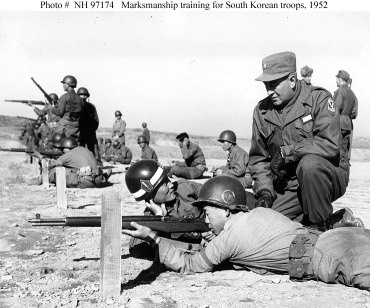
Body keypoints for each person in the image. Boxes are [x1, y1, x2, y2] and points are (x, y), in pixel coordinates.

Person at [123, 176, 370, 292]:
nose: (205, 218)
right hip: (336, 239)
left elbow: (189, 265)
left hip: (329, 257)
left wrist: (153, 238)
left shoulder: (229, 239)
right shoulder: (253, 215)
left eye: (208, 211)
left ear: (226, 208)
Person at [248, 51, 361, 231]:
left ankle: (321, 227)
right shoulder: (262, 111)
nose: (269, 91)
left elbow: (329, 145)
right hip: (290, 185)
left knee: (309, 165)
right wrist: (265, 192)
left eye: (274, 84)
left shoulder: (319, 99)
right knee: (262, 226)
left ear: (292, 80)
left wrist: (288, 152)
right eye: (266, 85)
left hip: (327, 175)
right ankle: (336, 220)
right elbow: (258, 159)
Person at [125, 160, 205, 258]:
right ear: (150, 194)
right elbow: (136, 249)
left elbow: (215, 191)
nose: (171, 185)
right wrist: (158, 220)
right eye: (164, 184)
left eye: (168, 179)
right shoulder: (150, 216)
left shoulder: (184, 187)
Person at [44, 136, 111, 188]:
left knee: (55, 171)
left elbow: (51, 165)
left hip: (86, 182)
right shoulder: (85, 150)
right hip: (98, 180)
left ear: (67, 147)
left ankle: (40, 179)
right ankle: (104, 177)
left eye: (63, 148)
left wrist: (42, 160)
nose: (62, 151)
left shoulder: (69, 154)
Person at [333, 70, 358, 161]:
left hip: (338, 124)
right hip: (348, 126)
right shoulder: (353, 94)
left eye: (337, 79)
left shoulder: (340, 91)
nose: (336, 81)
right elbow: (354, 114)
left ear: (340, 79)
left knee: (335, 151)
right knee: (345, 152)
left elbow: (335, 108)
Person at [77, 87, 100, 158]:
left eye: (85, 95)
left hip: (90, 131)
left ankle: (96, 163)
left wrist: (92, 129)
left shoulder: (91, 106)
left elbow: (96, 120)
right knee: (79, 149)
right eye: (81, 95)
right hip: (79, 131)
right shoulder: (76, 106)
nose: (83, 97)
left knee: (93, 149)